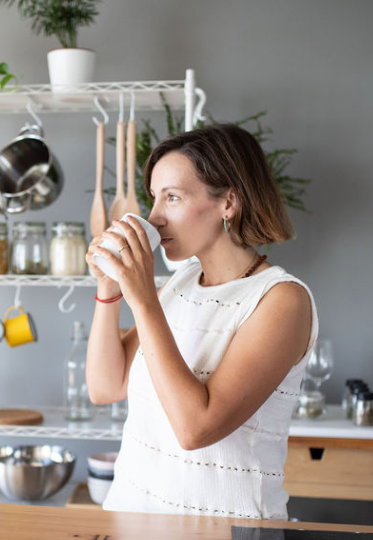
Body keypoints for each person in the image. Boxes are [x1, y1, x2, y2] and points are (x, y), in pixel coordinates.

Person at [85, 123, 318, 520]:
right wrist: (110, 290)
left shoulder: (281, 300)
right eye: (154, 199)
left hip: (227, 528)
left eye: (172, 197)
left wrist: (142, 298)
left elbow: (196, 429)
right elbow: (105, 387)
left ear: (229, 202)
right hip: (132, 519)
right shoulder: (180, 285)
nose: (154, 218)